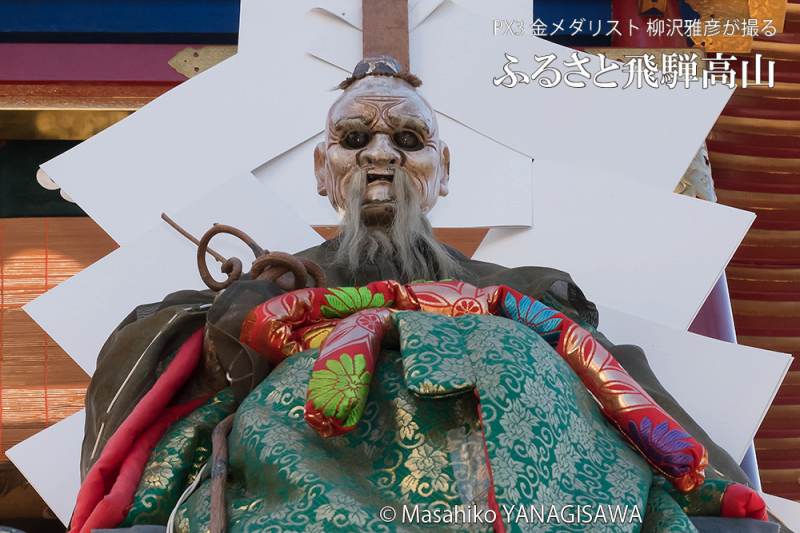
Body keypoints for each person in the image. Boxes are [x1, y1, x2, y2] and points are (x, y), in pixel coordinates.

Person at [71, 57, 785, 533]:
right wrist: (241, 315)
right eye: (355, 137)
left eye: (408, 138)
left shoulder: (528, 296)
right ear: (325, 171)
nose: (381, 154)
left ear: (443, 170)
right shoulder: (276, 290)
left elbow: (637, 406)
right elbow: (169, 387)